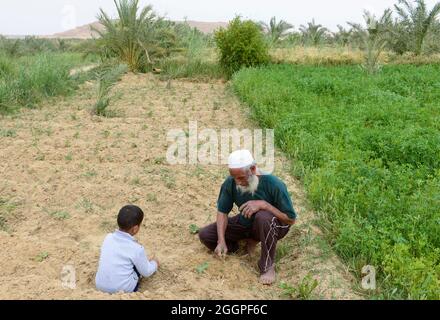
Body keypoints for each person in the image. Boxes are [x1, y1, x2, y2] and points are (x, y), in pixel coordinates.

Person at [199, 150, 297, 285]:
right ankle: (240, 244)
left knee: (263, 217)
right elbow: (222, 212)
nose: (237, 183)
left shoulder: (274, 184)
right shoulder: (231, 183)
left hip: (275, 225)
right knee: (206, 235)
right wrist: (221, 241)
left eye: (240, 178)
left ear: (253, 169)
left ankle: (267, 266)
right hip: (247, 222)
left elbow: (290, 219)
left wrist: (264, 205)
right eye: (234, 178)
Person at [95, 205, 159, 293]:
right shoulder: (137, 249)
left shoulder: (108, 237)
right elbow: (146, 272)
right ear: (135, 229)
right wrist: (155, 263)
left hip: (99, 286)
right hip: (122, 290)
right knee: (138, 266)